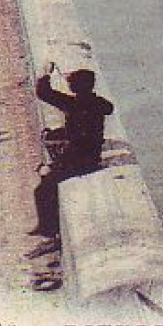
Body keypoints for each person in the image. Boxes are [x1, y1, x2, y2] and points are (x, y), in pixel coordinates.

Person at [27, 63, 114, 256]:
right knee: (47, 178)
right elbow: (109, 108)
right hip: (90, 157)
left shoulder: (72, 103)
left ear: (76, 87)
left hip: (78, 161)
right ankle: (46, 228)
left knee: (43, 189)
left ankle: (50, 233)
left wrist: (45, 73)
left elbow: (43, 93)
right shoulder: (96, 103)